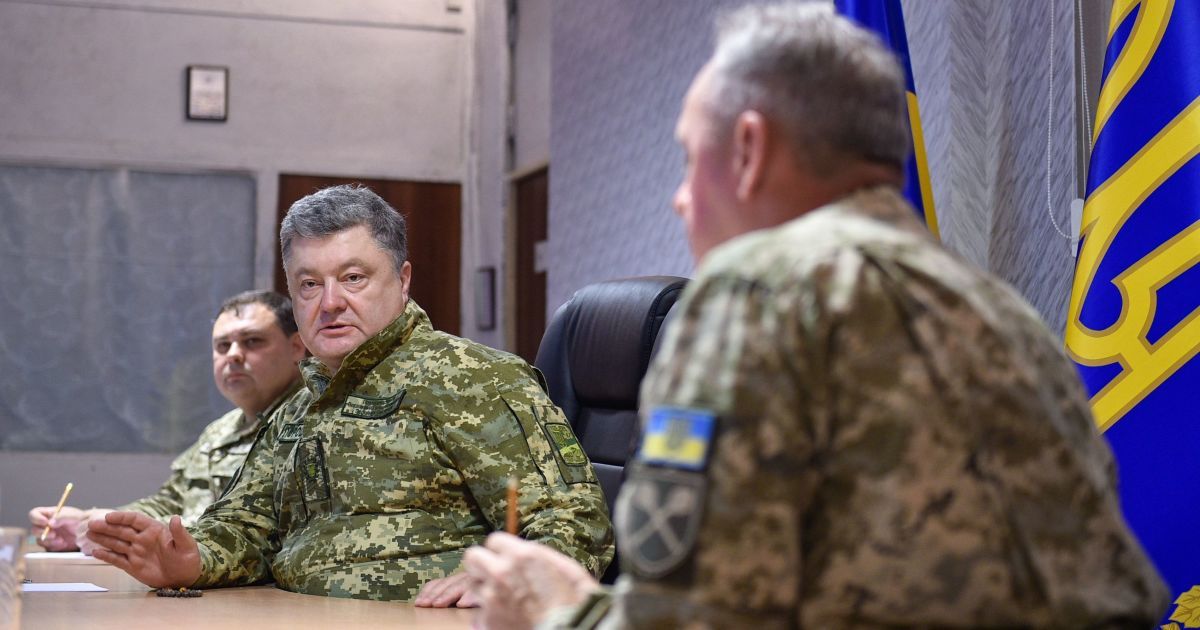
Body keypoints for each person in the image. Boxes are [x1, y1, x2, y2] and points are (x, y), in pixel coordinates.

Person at [462, 4, 1169, 628]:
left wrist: (556, 613)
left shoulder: (755, 292)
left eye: (690, 158)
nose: (681, 198)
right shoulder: (1008, 318)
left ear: (748, 148)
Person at [86, 184, 614, 604]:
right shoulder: (299, 404)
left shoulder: (474, 379)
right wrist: (189, 558)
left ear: (402, 280)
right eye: (309, 284)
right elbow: (248, 526)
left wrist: (502, 580)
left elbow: (573, 521)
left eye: (354, 277)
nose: (330, 303)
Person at [29, 290, 305, 553]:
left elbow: (260, 531)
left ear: (296, 347)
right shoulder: (220, 432)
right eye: (222, 345)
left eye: (252, 341)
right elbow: (172, 501)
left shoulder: (310, 421)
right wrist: (96, 523)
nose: (233, 354)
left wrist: (127, 531)